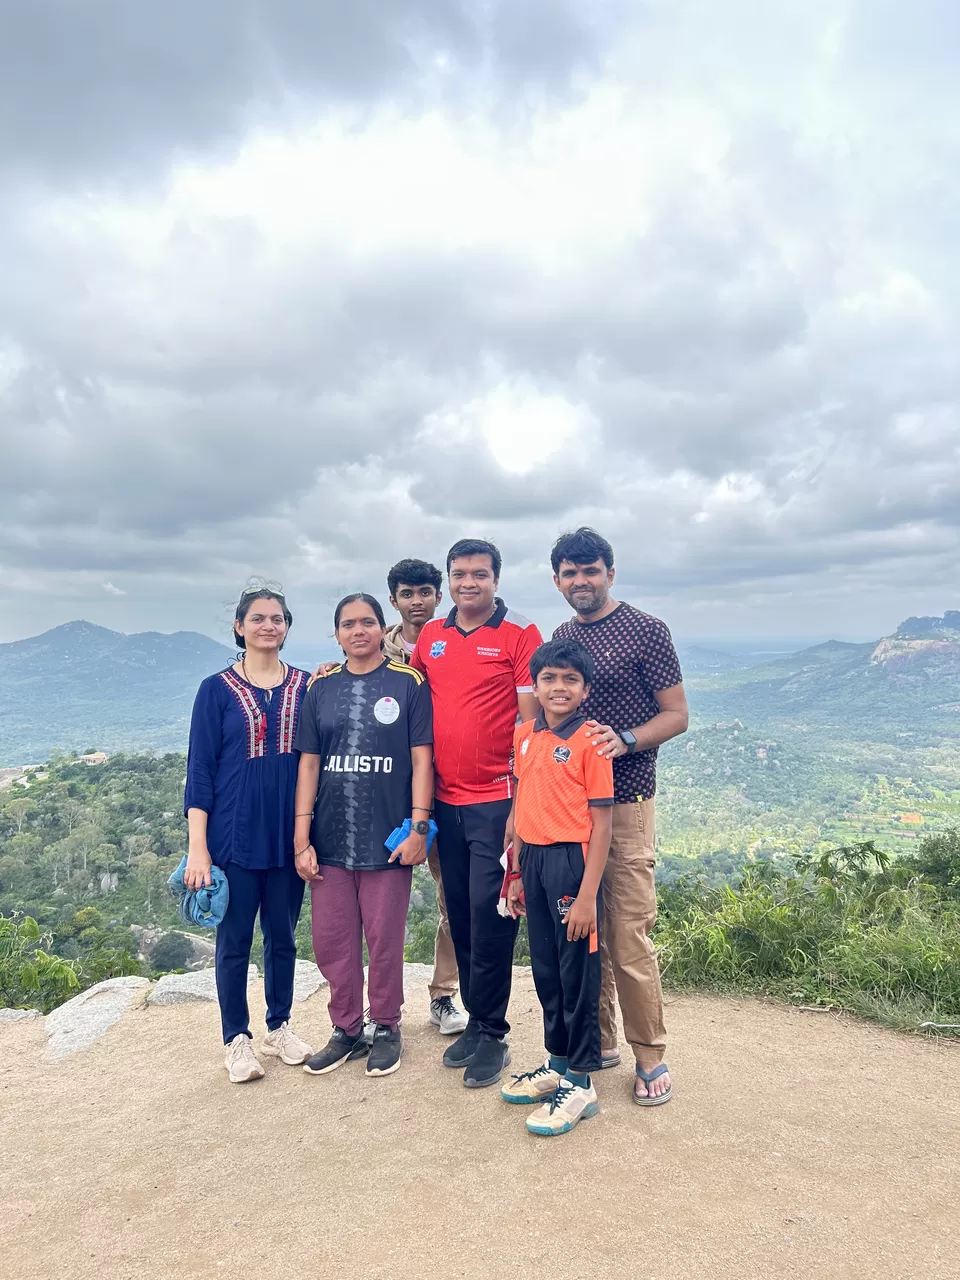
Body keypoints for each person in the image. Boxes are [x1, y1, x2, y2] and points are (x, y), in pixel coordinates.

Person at [551, 527, 688, 1105]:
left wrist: (625, 740)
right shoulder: (561, 636)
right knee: (584, 931)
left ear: (610, 572)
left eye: (590, 570)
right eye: (569, 573)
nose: (580, 581)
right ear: (557, 579)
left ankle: (650, 1057)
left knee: (629, 931)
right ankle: (599, 1039)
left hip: (627, 803)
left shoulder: (646, 631)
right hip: (570, 810)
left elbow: (677, 715)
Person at [411, 538, 542, 1088]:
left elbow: (531, 722)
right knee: (460, 915)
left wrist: (521, 802)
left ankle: (493, 1031)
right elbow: (405, 692)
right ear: (450, 579)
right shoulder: (432, 636)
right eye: (460, 574)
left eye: (480, 574)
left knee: (492, 920)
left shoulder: (520, 635)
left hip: (497, 802)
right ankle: (473, 1019)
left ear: (496, 579)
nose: (470, 583)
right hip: (445, 802)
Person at [294, 593, 434, 1079]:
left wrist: (419, 827)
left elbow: (422, 759)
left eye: (368, 622)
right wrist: (300, 836)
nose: (359, 631)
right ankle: (347, 1028)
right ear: (336, 634)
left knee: (384, 937)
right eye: (349, 624)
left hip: (387, 836)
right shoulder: (321, 688)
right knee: (332, 940)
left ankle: (388, 1026)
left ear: (382, 628)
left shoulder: (409, 683)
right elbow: (309, 764)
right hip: (329, 836)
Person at [184, 582, 313, 1083]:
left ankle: (279, 1026)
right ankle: (235, 1039)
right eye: (257, 618)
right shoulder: (215, 690)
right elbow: (200, 772)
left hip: (289, 833)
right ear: (239, 627)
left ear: (286, 627)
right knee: (234, 940)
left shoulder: (306, 686)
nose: (267, 626)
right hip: (233, 837)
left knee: (282, 936)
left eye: (276, 618)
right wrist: (199, 848)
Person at [501, 638, 613, 1136]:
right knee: (546, 969)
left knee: (578, 974)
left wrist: (588, 895)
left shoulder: (592, 741)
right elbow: (523, 805)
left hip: (573, 863)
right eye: (549, 678)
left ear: (585, 689)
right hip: (536, 860)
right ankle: (558, 1061)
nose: (559, 687)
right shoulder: (525, 735)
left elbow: (603, 823)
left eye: (570, 679)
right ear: (536, 685)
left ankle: (583, 1082)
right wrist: (518, 873)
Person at [384, 558, 467, 1038]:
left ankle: (443, 994)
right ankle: (381, 1007)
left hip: (450, 787)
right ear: (393, 599)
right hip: (392, 788)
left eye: (425, 591)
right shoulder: (378, 645)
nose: (418, 601)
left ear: (440, 595)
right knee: (381, 899)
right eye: (407, 593)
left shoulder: (454, 640)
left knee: (450, 898)